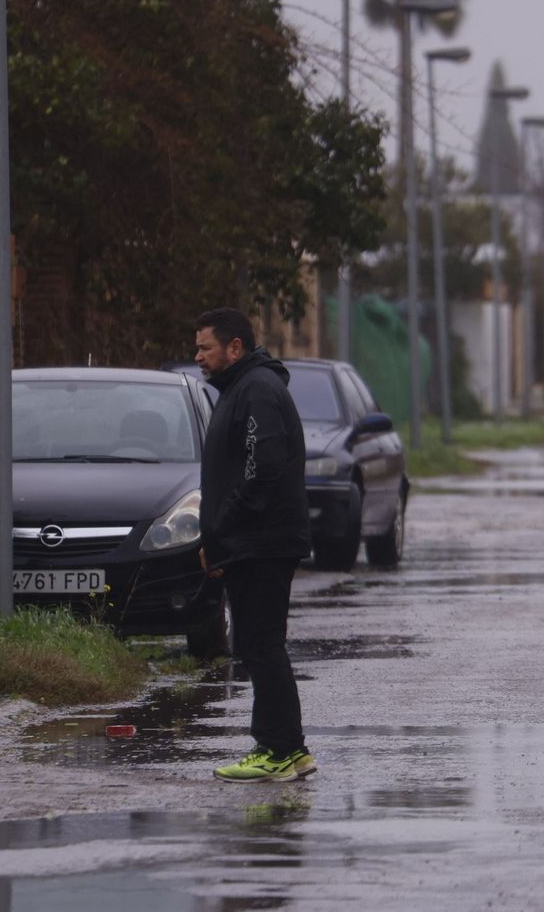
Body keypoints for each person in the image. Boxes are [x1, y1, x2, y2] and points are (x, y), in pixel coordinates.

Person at [195, 306, 317, 784]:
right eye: (198, 347)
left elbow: (260, 470)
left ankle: (283, 749)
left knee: (261, 645)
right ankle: (280, 747)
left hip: (263, 543)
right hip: (251, 540)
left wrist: (222, 530)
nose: (198, 356)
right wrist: (220, 536)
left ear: (235, 348)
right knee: (257, 644)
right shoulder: (243, 389)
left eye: (206, 347)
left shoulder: (258, 391)